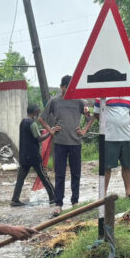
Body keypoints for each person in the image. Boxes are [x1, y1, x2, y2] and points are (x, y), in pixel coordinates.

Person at [41, 75, 89, 212]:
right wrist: (51, 130)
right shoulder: (54, 101)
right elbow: (42, 118)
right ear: (62, 87)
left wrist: (84, 130)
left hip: (75, 143)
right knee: (60, 174)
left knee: (76, 174)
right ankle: (58, 204)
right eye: (67, 87)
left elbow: (90, 117)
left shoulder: (80, 101)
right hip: (60, 143)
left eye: (72, 87)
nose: (69, 90)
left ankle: (75, 202)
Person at [10, 104, 56, 207]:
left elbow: (30, 135)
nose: (39, 113)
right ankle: (53, 197)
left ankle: (15, 199)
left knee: (20, 179)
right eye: (38, 111)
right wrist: (50, 133)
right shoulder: (32, 123)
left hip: (23, 156)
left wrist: (41, 132)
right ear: (35, 112)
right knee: (44, 177)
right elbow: (38, 139)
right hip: (34, 156)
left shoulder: (23, 122)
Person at [93, 97, 130, 199]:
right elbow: (96, 114)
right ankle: (103, 194)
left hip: (126, 136)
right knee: (107, 167)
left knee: (127, 165)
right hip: (109, 137)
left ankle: (128, 192)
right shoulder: (102, 95)